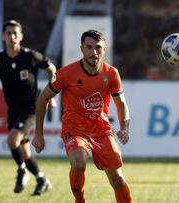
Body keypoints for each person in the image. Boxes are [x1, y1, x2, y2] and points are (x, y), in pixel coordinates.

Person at [32, 29, 133, 203]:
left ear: (104, 49)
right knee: (78, 165)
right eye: (89, 47)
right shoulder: (66, 74)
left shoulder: (111, 73)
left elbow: (122, 104)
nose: (94, 52)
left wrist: (124, 127)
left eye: (98, 48)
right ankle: (79, 200)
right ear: (82, 49)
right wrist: (39, 134)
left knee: (118, 180)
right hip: (75, 128)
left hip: (101, 129)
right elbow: (43, 99)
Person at [0, 20, 55, 195]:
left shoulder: (29, 56)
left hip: (31, 108)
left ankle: (21, 173)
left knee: (12, 141)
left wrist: (51, 93)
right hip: (13, 109)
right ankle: (42, 180)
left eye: (15, 33)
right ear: (3, 36)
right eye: (8, 33)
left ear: (21, 36)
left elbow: (51, 68)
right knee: (25, 153)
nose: (12, 36)